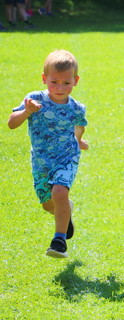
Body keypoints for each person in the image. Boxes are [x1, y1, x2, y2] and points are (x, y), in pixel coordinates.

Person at [7, 50, 88, 259]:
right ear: (44, 78)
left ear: (75, 81)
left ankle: (59, 241)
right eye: (54, 82)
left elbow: (80, 126)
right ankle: (65, 214)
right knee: (47, 204)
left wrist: (78, 142)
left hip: (66, 157)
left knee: (60, 192)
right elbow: (11, 123)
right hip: (41, 162)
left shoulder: (77, 108)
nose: (60, 88)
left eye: (66, 83)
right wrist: (26, 112)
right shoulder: (33, 100)